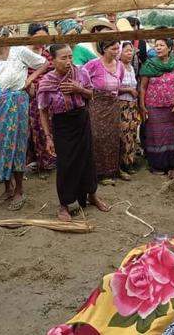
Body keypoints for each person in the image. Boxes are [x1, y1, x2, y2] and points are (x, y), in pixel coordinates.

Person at [37, 44, 110, 221]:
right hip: (62, 124)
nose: (69, 61)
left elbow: (91, 94)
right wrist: (48, 137)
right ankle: (64, 204)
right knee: (66, 163)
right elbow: (43, 110)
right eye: (63, 58)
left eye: (70, 57)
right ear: (52, 60)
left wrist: (79, 89)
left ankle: (91, 195)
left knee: (87, 159)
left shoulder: (81, 73)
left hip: (82, 120)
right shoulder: (47, 81)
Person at [0, 29, 49, 210]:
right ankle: (8, 188)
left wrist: (29, 79)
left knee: (17, 144)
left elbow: (44, 63)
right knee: (0, 145)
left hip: (17, 102)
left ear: (3, 35)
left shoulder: (19, 50)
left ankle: (19, 190)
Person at [83, 40, 128, 184]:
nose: (116, 52)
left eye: (117, 49)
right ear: (104, 48)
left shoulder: (120, 65)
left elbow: (118, 84)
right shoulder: (93, 64)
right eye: (112, 49)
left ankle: (115, 169)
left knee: (115, 137)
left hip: (113, 105)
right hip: (97, 106)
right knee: (98, 138)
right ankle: (100, 174)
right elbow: (82, 79)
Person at [139, 38, 174, 175]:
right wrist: (142, 105)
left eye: (161, 45)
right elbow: (142, 87)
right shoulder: (149, 65)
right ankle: (157, 166)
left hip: (172, 109)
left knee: (171, 136)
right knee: (156, 137)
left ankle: (172, 164)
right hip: (153, 108)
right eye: (156, 46)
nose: (158, 48)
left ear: (169, 48)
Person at [25, 23, 56, 172]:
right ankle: (40, 159)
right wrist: (29, 87)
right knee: (36, 126)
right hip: (32, 94)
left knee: (50, 125)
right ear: (30, 37)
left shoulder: (48, 52)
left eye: (45, 37)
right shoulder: (24, 53)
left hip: (49, 93)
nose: (42, 40)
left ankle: (50, 157)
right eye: (38, 37)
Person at [118, 42, 140, 175]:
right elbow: (114, 87)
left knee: (131, 133)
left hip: (132, 105)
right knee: (123, 133)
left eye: (131, 51)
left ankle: (130, 161)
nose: (129, 54)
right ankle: (121, 163)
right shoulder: (118, 67)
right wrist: (129, 90)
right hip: (122, 105)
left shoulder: (131, 67)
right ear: (120, 53)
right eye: (126, 51)